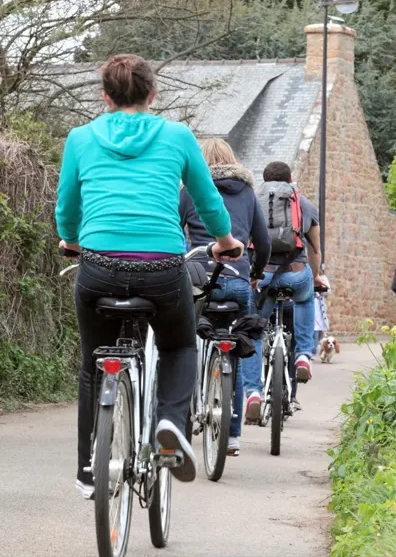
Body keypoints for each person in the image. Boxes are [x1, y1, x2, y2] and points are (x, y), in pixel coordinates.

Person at [55, 54, 243, 499]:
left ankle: (87, 467)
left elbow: (67, 205)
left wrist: (71, 240)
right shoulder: (177, 136)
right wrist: (224, 240)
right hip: (161, 268)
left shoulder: (81, 138)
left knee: (91, 364)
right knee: (179, 345)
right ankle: (168, 424)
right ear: (152, 93)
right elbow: (206, 199)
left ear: (105, 96)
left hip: (98, 266)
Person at [179, 138, 270, 455]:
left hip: (198, 278)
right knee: (235, 346)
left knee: (184, 346)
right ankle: (232, 437)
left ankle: (184, 418)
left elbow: (175, 232)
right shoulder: (246, 193)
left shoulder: (189, 190)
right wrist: (255, 273)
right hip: (237, 278)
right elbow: (262, 240)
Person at [242, 162, 324, 421]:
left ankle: (253, 393)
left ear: (263, 180)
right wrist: (317, 275)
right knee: (304, 298)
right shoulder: (304, 203)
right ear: (291, 179)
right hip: (296, 272)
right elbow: (316, 250)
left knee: (253, 330)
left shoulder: (254, 200)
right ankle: (302, 355)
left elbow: (245, 243)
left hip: (262, 276)